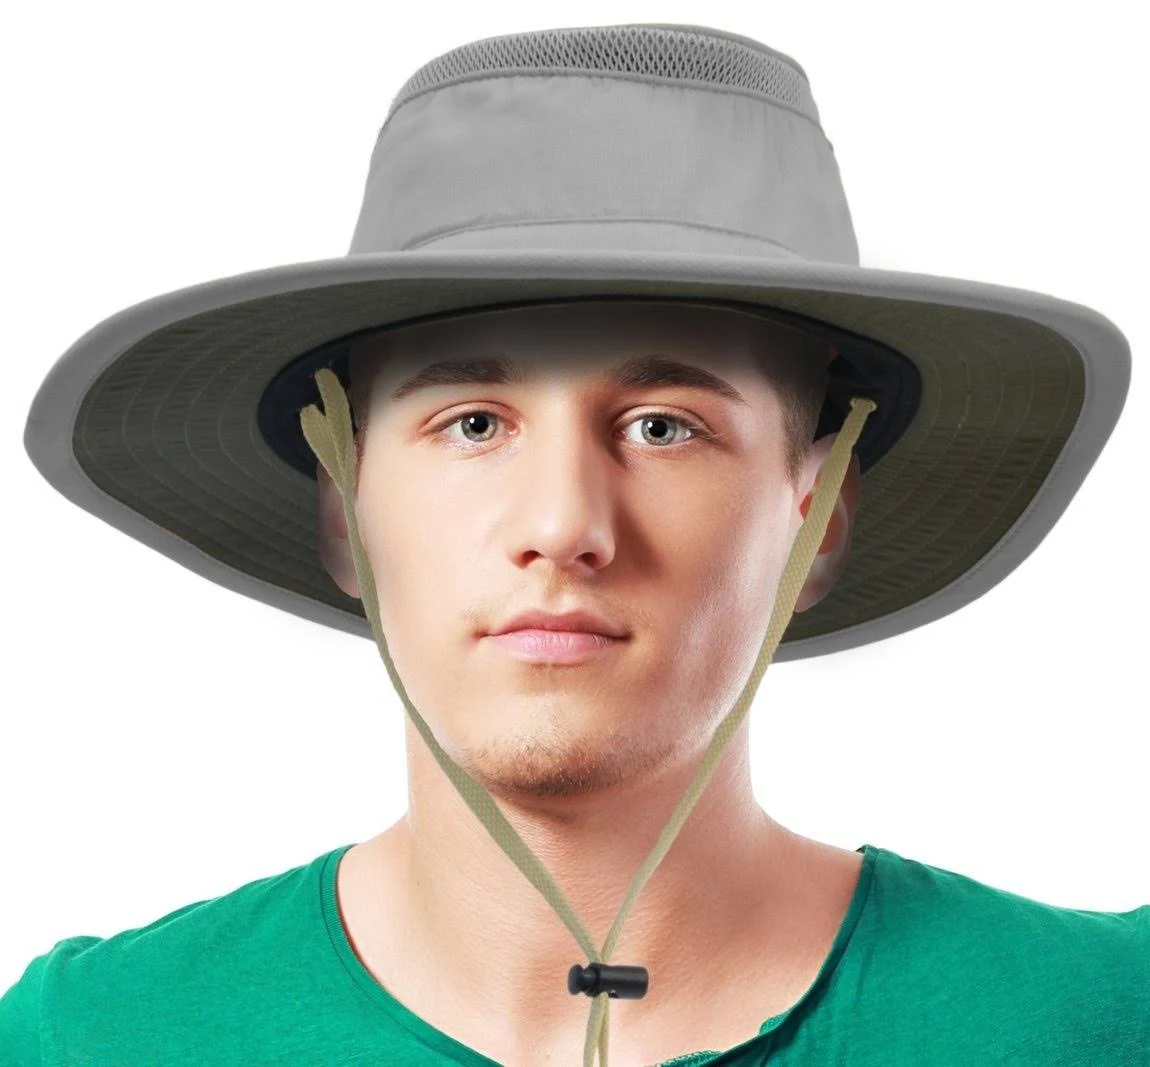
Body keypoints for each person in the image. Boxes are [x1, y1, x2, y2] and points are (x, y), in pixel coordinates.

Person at [4, 20, 1147, 1067]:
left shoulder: (1101, 1019)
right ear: (342, 513)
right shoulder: (95, 1039)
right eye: (472, 423)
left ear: (820, 518)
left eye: (662, 426)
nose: (561, 524)